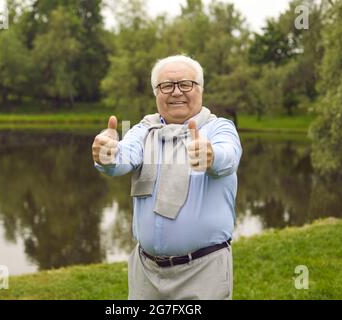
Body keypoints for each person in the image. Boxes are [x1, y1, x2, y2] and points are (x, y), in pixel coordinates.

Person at [92, 55, 242, 300]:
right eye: (166, 86)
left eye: (185, 84)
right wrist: (106, 156)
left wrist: (211, 156)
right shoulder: (144, 129)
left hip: (204, 271)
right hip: (146, 273)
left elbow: (229, 157)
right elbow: (123, 157)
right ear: (156, 93)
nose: (176, 92)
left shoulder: (219, 129)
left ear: (200, 89)